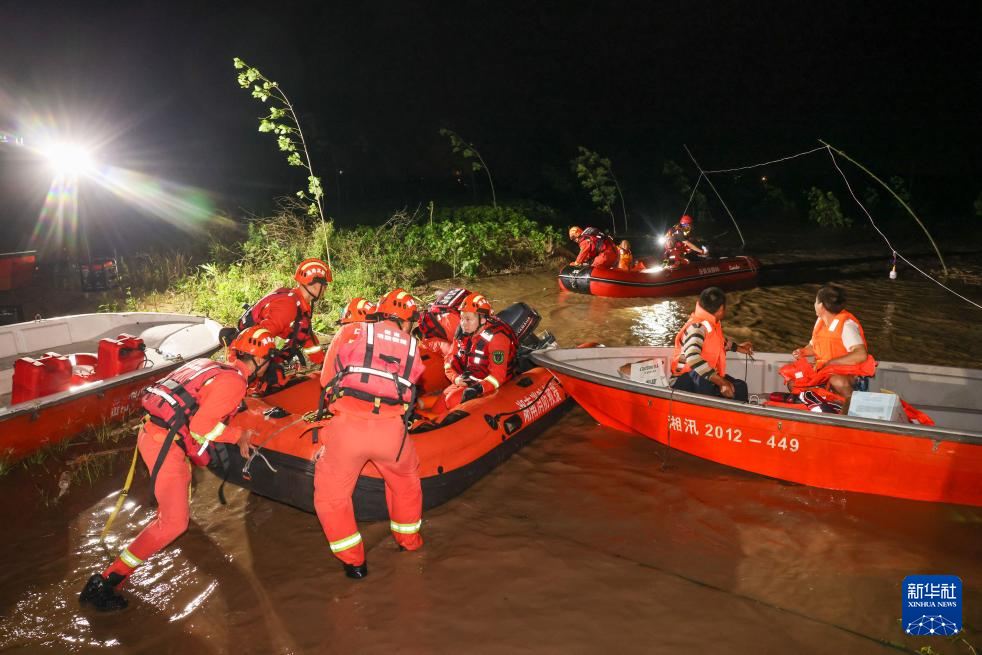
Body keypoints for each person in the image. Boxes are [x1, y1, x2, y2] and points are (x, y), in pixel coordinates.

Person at [79, 327, 276, 611]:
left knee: (171, 514)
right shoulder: (234, 384)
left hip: (156, 434)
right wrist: (238, 436)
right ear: (261, 360)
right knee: (174, 523)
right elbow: (200, 427)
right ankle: (107, 582)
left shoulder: (209, 366)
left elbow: (194, 407)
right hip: (165, 445)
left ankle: (114, 576)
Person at [315, 288, 426, 579]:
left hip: (348, 430)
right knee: (405, 482)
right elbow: (410, 390)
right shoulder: (413, 346)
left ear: (378, 313)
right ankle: (409, 544)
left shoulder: (351, 331)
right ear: (407, 320)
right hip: (392, 433)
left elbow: (327, 381)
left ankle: (355, 565)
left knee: (331, 497)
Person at [237, 257, 331, 391]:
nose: (326, 289)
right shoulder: (288, 307)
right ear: (316, 285)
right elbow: (259, 340)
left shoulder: (299, 305)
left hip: (257, 354)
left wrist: (326, 363)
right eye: (325, 285)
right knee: (276, 379)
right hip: (250, 357)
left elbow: (305, 337)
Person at [790, 285, 876, 413]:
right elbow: (815, 347)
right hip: (826, 372)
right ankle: (822, 406)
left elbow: (861, 354)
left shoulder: (847, 326)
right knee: (793, 382)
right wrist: (802, 351)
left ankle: (849, 404)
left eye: (815, 301)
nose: (814, 304)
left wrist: (831, 363)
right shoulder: (820, 322)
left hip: (850, 376)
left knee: (835, 379)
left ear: (821, 306)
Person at [437, 293, 519, 411]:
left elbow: (497, 377)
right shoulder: (462, 332)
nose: (463, 323)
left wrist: (478, 388)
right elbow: (449, 359)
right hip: (470, 378)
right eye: (461, 318)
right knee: (439, 406)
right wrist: (455, 378)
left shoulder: (497, 338)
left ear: (483, 319)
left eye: (468, 319)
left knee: (452, 400)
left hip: (489, 385)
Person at [670, 286, 753, 401]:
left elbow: (719, 343)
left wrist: (739, 348)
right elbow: (692, 357)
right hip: (683, 380)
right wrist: (721, 382)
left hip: (703, 376)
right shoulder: (697, 327)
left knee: (740, 387)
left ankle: (735, 417)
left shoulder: (710, 324)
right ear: (721, 309)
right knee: (707, 382)